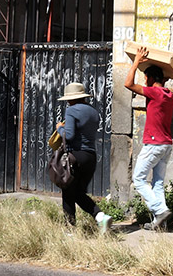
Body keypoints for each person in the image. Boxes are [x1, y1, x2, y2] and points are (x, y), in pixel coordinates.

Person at [124, 48, 173, 231]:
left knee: (138, 179)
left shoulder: (154, 93)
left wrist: (136, 61)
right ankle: (159, 224)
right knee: (158, 183)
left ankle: (160, 211)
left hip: (154, 143)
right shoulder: (169, 95)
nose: (145, 82)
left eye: (146, 79)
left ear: (152, 79)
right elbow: (162, 84)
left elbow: (128, 84)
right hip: (166, 145)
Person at [56, 82, 112, 233]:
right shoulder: (93, 111)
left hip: (75, 156)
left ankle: (69, 230)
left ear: (71, 98)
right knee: (79, 192)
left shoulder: (71, 110)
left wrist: (59, 128)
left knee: (68, 192)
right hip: (90, 156)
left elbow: (70, 135)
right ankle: (100, 216)